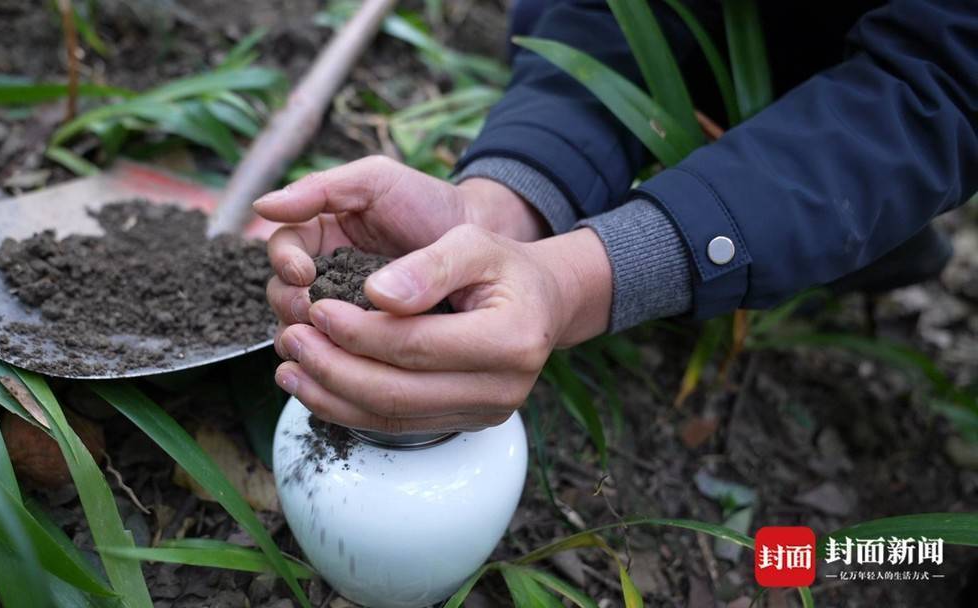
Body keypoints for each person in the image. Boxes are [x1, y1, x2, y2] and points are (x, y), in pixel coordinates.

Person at [253, 0, 977, 434]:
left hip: (858, 84)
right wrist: (505, 200)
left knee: (856, 202)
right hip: (725, 35)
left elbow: (939, 84)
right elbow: (605, 14)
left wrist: (581, 280)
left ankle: (876, 247)